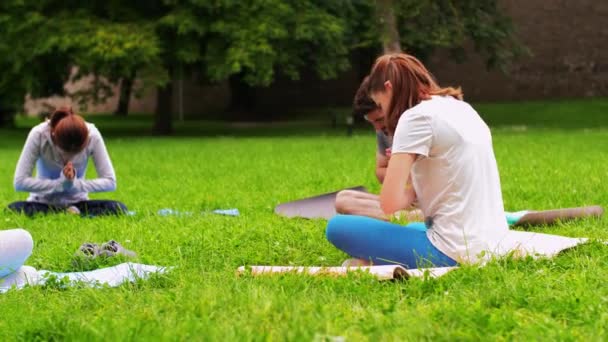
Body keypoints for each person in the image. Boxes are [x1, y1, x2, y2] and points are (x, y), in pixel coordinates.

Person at [327, 53, 509, 267]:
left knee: (338, 227)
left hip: (456, 252)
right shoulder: (460, 107)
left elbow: (389, 203)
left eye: (380, 104)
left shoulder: (413, 117)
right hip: (494, 243)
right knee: (413, 229)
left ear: (389, 88)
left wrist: (410, 187)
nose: (385, 112)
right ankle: (375, 261)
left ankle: (373, 262)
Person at [7, 107, 127, 217]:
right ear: (54, 137)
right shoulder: (38, 134)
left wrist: (74, 184)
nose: (70, 156)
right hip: (42, 202)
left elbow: (110, 182)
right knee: (12, 209)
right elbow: (20, 182)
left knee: (117, 207)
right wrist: (59, 185)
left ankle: (70, 211)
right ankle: (68, 212)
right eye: (67, 150)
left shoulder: (93, 135)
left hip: (79, 202)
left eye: (77, 151)